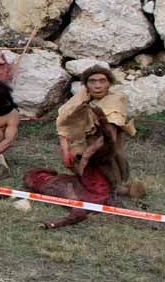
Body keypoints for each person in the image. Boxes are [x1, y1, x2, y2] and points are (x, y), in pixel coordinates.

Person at [56, 65, 143, 201]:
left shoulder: (114, 102)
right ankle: (86, 181)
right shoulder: (81, 98)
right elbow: (64, 122)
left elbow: (109, 138)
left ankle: (120, 189)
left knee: (107, 175)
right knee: (75, 158)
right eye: (92, 81)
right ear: (85, 85)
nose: (97, 86)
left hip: (106, 150)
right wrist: (65, 150)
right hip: (86, 144)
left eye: (102, 81)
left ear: (109, 84)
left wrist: (86, 157)